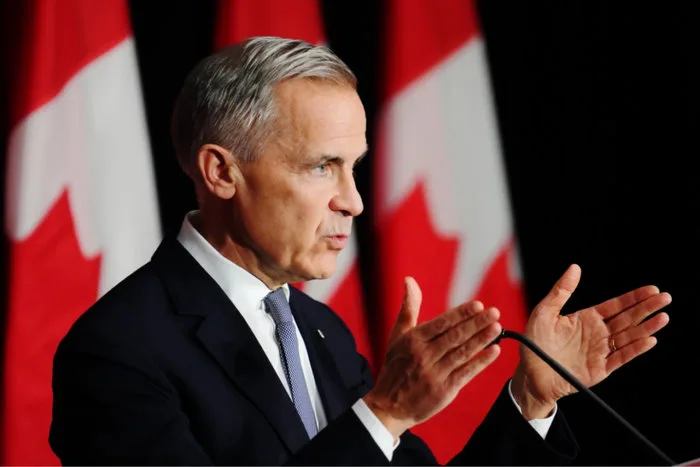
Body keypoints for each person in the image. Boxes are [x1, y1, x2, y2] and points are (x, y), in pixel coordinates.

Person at [48, 36, 671, 465]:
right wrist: (385, 413)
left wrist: (530, 401)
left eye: (354, 167)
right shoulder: (118, 350)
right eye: (322, 166)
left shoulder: (320, 332)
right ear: (221, 172)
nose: (354, 201)